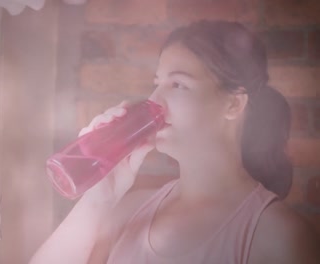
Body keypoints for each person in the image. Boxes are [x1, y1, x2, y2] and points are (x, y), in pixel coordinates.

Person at [29, 20, 320, 264]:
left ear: (233, 104)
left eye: (178, 84)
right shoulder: (129, 210)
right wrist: (99, 198)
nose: (154, 101)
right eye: (157, 83)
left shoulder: (279, 237)